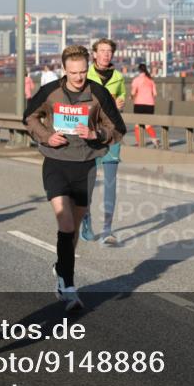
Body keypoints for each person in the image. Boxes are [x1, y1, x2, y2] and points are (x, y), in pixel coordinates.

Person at [23, 45, 125, 311]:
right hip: (56, 163)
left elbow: (118, 128)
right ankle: (68, 286)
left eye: (82, 72)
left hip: (86, 165)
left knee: (74, 228)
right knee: (66, 224)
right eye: (73, 73)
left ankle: (61, 267)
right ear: (64, 70)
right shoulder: (51, 92)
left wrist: (96, 135)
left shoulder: (98, 93)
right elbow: (29, 117)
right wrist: (47, 136)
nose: (78, 78)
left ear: (87, 68)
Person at [81, 39, 127, 245]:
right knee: (88, 183)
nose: (106, 55)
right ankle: (86, 220)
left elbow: (121, 101)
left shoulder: (118, 77)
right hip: (89, 134)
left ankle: (108, 229)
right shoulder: (85, 75)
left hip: (111, 133)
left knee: (110, 183)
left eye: (109, 51)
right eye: (102, 51)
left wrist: (119, 104)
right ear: (94, 54)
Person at [131, 63, 160, 149]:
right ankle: (154, 140)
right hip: (150, 105)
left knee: (137, 124)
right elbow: (155, 94)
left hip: (139, 104)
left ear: (139, 70)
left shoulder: (136, 80)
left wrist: (132, 96)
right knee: (147, 124)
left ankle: (139, 143)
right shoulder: (150, 80)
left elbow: (133, 93)